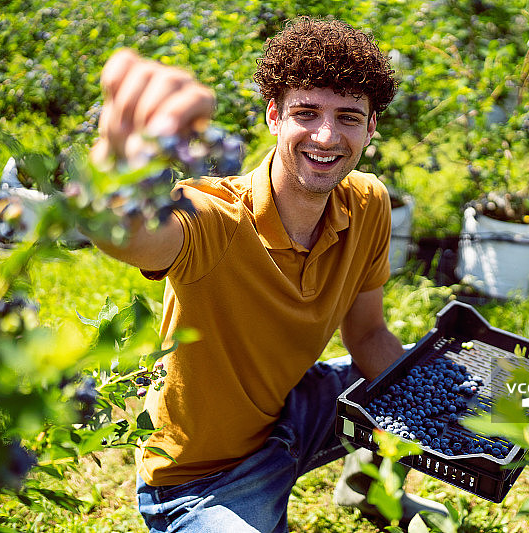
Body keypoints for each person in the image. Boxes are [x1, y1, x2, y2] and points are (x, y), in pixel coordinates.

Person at [89, 16, 445, 533]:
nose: (326, 135)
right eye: (306, 113)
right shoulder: (214, 217)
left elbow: (368, 335)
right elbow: (132, 235)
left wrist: (440, 416)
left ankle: (371, 489)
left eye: (348, 117)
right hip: (202, 480)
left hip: (291, 415)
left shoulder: (367, 202)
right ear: (274, 116)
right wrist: (119, 165)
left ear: (371, 128)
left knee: (425, 372)